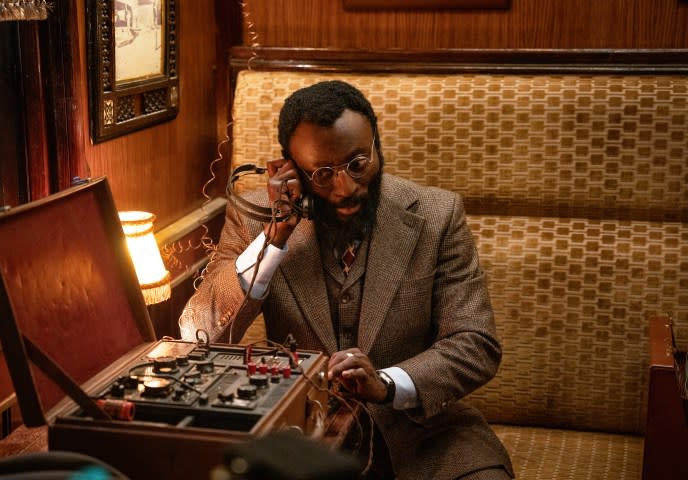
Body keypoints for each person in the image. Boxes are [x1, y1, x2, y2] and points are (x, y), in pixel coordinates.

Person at [180, 80, 514, 479]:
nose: (346, 187)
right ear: (293, 170)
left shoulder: (438, 215)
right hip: (303, 443)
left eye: (358, 163)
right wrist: (276, 237)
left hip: (424, 438)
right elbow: (197, 333)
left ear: (376, 143)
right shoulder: (256, 218)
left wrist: (387, 384)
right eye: (322, 173)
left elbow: (476, 344)